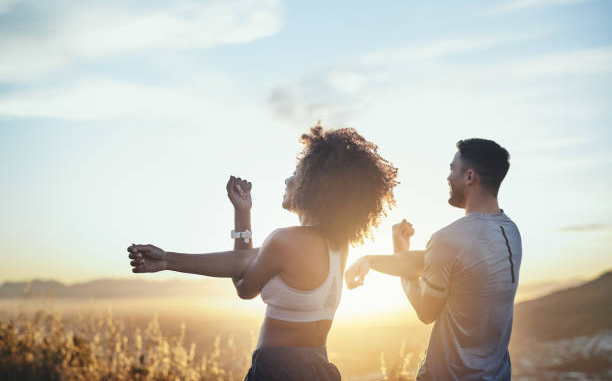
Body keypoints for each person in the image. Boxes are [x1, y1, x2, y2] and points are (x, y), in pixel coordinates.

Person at [126, 124, 399, 381]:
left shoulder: (286, 240)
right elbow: (245, 261)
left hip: (278, 371)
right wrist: (242, 213)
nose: (288, 179)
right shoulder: (337, 245)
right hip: (319, 368)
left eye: (298, 173)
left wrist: (167, 260)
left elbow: (244, 286)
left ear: (315, 186)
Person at [346, 138, 522, 381]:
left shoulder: (448, 238)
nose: (448, 177)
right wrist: (372, 259)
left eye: (452, 169)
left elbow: (425, 310)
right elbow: (449, 264)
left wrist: (398, 257)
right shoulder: (510, 233)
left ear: (469, 176)